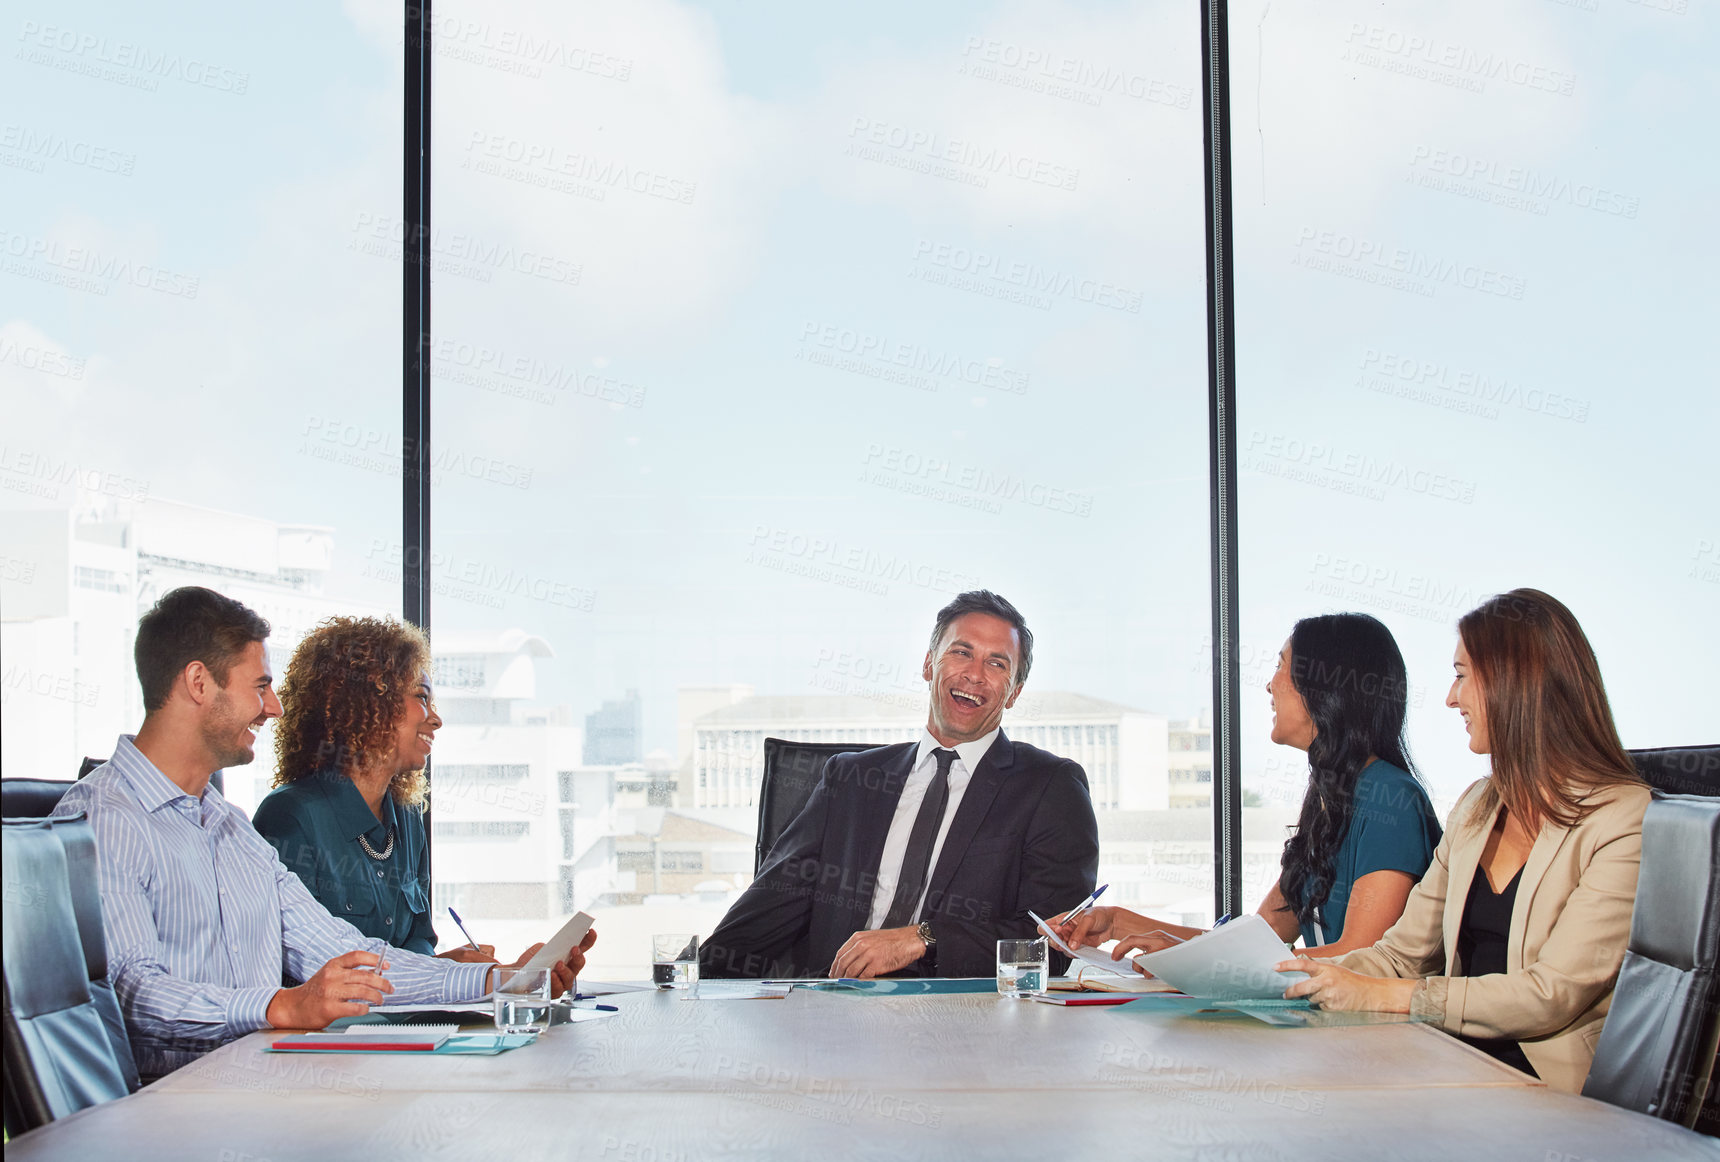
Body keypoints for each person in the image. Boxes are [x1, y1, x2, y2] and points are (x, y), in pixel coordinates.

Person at [53, 587, 595, 1080]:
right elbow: (135, 993)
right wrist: (280, 1007)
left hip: (264, 1088)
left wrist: (504, 981)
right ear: (199, 683)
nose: (275, 706)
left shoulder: (229, 827)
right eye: (260, 685)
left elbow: (346, 952)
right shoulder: (105, 818)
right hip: (177, 1112)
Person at [1276, 588, 1651, 1094]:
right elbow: (1399, 956)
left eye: (1461, 676)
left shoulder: (1622, 817)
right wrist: (1280, 977)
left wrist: (1395, 998)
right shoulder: (1478, 805)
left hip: (1551, 1090)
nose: (1452, 698)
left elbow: (1550, 993)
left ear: (1516, 681)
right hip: (1452, 1061)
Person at [700, 590, 1099, 980]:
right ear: (929, 664)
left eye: (996, 664)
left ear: (1013, 692)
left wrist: (925, 938)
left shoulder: (1050, 787)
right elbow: (768, 910)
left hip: (964, 1024)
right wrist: (684, 983)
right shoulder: (850, 779)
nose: (974, 675)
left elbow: (1053, 942)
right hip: (834, 1014)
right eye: (961, 652)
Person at [1056, 612, 1441, 963]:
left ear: (1325, 687)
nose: (1269, 684)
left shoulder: (1391, 800)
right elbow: (1263, 937)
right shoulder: (1327, 802)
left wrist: (1202, 962)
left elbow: (1360, 958)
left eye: (1280, 666)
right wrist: (1118, 924)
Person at [253, 616, 484, 961]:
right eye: (421, 697)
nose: (436, 719)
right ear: (366, 702)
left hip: (409, 1013)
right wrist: (442, 975)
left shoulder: (407, 817)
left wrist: (456, 972)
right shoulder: (291, 817)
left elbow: (418, 938)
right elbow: (305, 964)